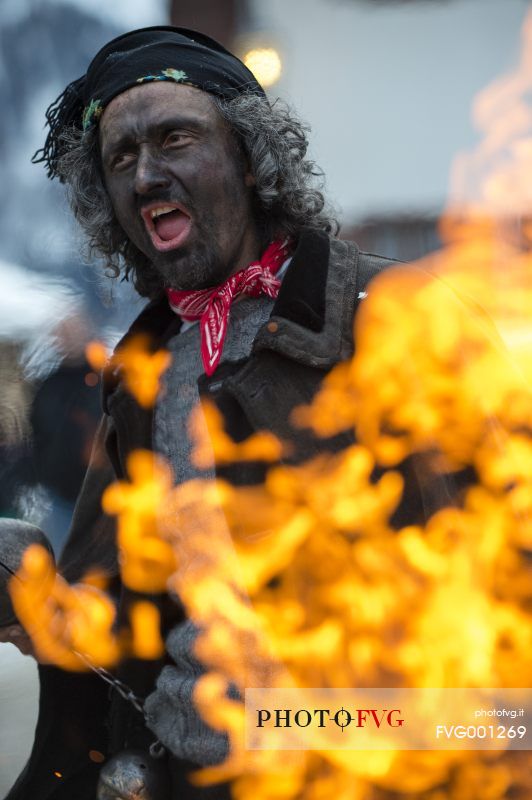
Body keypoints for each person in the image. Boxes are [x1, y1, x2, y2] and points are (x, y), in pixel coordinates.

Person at [3, 26, 402, 800]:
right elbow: (128, 607)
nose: (147, 174)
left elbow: (498, 634)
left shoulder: (390, 318)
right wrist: (44, 596)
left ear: (251, 159)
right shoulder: (147, 363)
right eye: (121, 158)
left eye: (175, 137)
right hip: (176, 774)